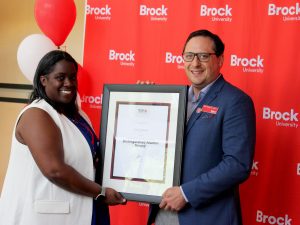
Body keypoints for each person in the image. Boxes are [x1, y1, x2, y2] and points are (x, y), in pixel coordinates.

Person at [0, 50, 126, 225]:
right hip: (44, 217)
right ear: (44, 80)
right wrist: (101, 192)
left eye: (73, 78)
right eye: (60, 77)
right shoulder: (36, 114)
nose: (69, 83)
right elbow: (54, 170)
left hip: (85, 210)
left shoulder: (78, 115)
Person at [147, 29, 256, 225]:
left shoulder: (236, 101)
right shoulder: (172, 99)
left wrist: (186, 194)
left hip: (207, 216)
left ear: (220, 60)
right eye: (189, 56)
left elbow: (237, 165)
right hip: (164, 211)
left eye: (204, 56)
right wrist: (145, 103)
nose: (195, 63)